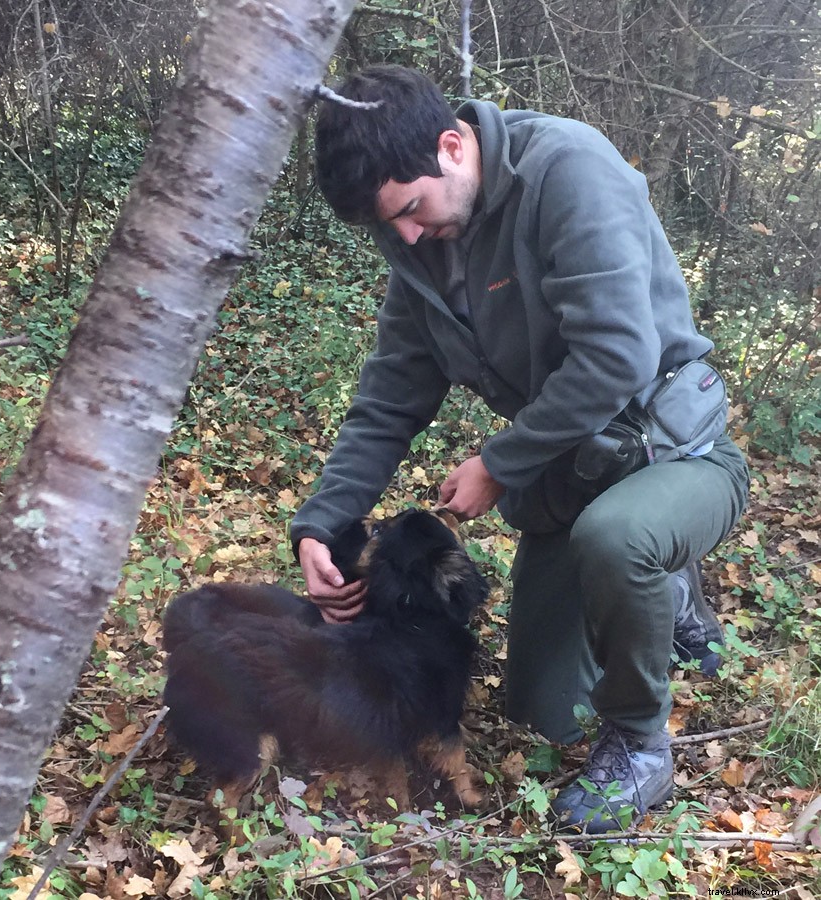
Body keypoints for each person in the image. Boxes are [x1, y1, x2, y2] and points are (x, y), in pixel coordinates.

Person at [290, 66, 749, 833]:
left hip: (676, 452)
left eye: (410, 208)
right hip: (572, 473)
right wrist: (319, 522)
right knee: (542, 711)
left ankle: (641, 745)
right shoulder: (420, 248)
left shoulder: (567, 170)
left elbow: (618, 357)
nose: (405, 236)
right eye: (386, 225)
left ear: (450, 146)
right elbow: (389, 398)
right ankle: (659, 591)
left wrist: (498, 465)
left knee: (619, 537)